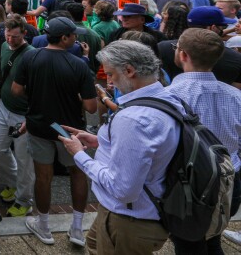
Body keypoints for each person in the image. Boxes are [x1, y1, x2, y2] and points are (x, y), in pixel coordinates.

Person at [58, 41, 180, 254]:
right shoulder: (168, 97)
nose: (109, 83)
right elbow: (149, 148)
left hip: (129, 218)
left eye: (111, 75)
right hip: (146, 209)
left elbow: (122, 190)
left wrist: (79, 155)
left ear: (130, 71)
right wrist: (101, 141)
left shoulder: (132, 119)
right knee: (94, 243)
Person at [12, 16, 97, 246]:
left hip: (40, 125)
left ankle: (44, 226)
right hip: (69, 129)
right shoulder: (79, 64)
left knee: (44, 176)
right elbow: (91, 106)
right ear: (64, 38)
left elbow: (16, 90)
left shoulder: (31, 56)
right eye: (74, 35)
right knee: (78, 174)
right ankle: (77, 229)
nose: (77, 39)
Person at [166, 28, 241, 252]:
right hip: (230, 180)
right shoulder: (236, 96)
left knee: (189, 244)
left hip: (186, 184)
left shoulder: (169, 96)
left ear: (183, 55)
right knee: (213, 236)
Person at [0, 14, 37, 218]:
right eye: (7, 36)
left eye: (15, 37)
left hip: (24, 115)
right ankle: (14, 184)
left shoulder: (32, 55)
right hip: (4, 107)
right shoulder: (6, 47)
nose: (10, 40)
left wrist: (31, 117)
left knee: (25, 160)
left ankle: (25, 200)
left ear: (24, 34)